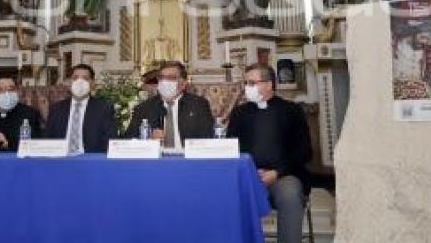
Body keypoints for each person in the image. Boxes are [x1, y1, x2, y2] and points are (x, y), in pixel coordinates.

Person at [227, 64, 312, 243]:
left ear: (269, 84)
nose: (246, 88)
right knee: (222, 194)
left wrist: (277, 173)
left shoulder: (291, 110)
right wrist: (249, 171)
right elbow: (230, 149)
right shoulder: (239, 113)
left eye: (251, 83)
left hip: (283, 176)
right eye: (245, 83)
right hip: (247, 177)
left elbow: (304, 151)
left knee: (290, 194)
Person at [124, 61, 213, 148]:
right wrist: (148, 139)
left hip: (188, 159)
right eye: (161, 78)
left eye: (170, 78)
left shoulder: (199, 105)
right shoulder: (144, 108)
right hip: (156, 160)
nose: (164, 82)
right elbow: (127, 142)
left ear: (183, 83)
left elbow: (208, 139)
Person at [44, 64, 117, 153]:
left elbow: (110, 142)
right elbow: (47, 140)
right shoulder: (56, 108)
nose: (80, 82)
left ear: (93, 83)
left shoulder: (104, 108)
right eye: (75, 78)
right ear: (69, 82)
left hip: (89, 161)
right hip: (61, 159)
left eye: (85, 79)